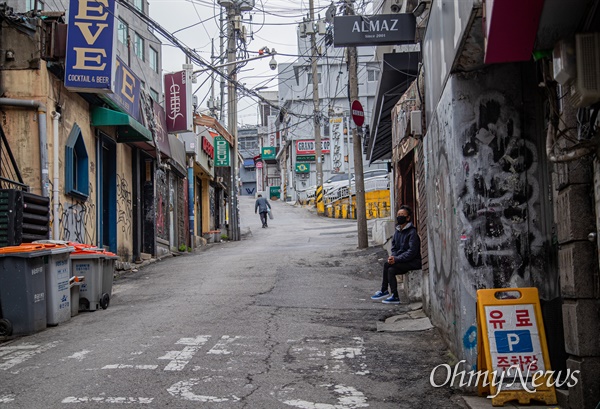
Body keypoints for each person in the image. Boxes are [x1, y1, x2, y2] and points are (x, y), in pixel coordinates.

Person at [371, 205, 421, 304]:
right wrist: (393, 257)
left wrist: (396, 259)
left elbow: (412, 252)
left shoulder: (412, 232)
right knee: (391, 270)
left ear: (408, 218)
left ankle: (384, 290)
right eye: (398, 215)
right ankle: (394, 295)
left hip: (413, 262)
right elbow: (394, 247)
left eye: (402, 215)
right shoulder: (398, 231)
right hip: (402, 260)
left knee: (387, 265)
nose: (399, 217)